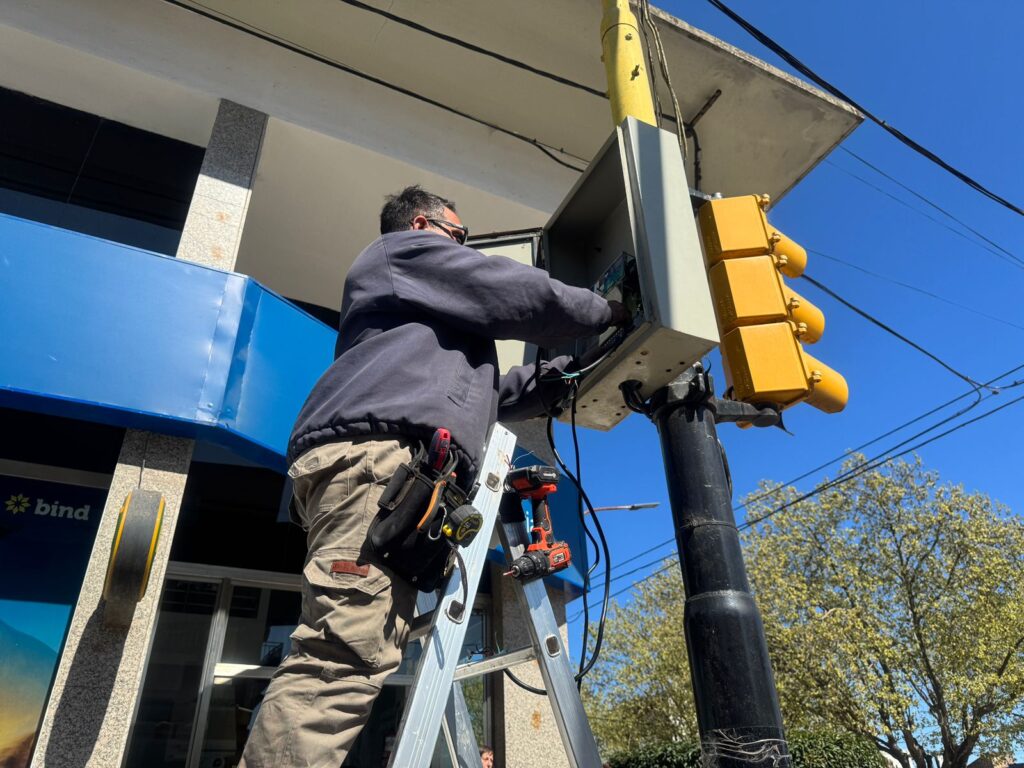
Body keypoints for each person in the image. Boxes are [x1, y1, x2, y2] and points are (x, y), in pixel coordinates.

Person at [240, 185, 627, 767]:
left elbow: (494, 394)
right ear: (424, 225)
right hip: (378, 463)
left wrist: (570, 371)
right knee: (340, 662)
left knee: (356, 652)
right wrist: (613, 308)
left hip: (391, 472)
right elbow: (506, 288)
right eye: (460, 238)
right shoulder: (398, 251)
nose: (464, 251)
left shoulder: (424, 339)